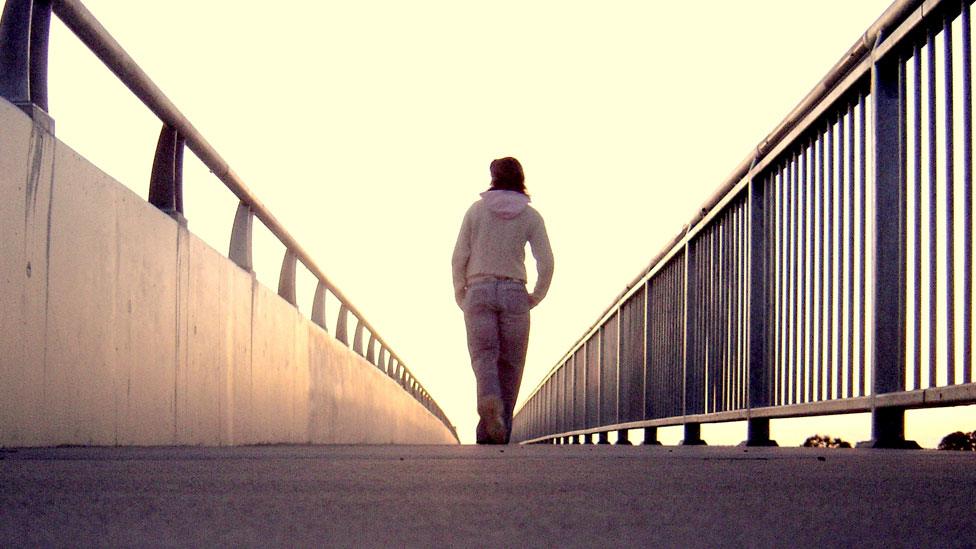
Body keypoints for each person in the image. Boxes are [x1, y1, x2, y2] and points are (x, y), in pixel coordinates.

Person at [451, 157, 554, 444]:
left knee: (484, 357)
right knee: (511, 363)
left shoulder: (476, 211)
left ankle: (488, 405)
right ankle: (500, 430)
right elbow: (545, 261)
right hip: (514, 292)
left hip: (479, 289)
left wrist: (461, 290)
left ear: (493, 178)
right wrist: (536, 295)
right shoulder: (531, 216)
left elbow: (460, 255)